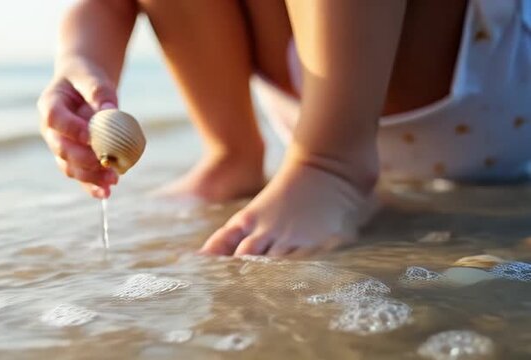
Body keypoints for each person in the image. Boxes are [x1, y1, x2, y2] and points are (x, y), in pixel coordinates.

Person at [37, 0, 531, 257]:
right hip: (310, 87)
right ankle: (233, 153)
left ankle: (333, 162)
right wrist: (80, 66)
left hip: (472, 73)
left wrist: (325, 158)